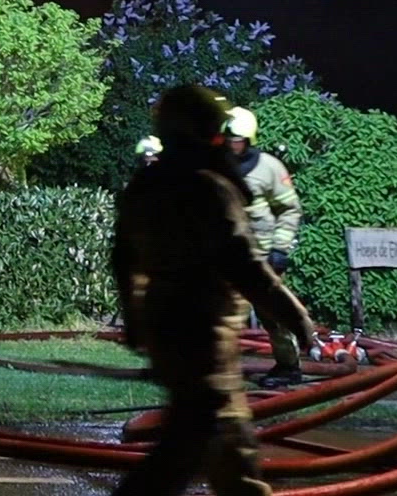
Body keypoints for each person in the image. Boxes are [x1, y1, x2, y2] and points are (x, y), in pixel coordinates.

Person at [113, 85, 315, 496]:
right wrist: (297, 317)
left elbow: (123, 259)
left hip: (166, 326)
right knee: (210, 440)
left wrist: (135, 320)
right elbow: (244, 266)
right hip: (202, 329)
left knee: (199, 441)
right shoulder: (208, 189)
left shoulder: (147, 185)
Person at [226, 106, 306, 387]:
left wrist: (280, 249)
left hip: (262, 258)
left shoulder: (269, 168)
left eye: (237, 139)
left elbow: (289, 209)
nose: (231, 144)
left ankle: (288, 367)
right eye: (228, 138)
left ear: (249, 139)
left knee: (273, 316)